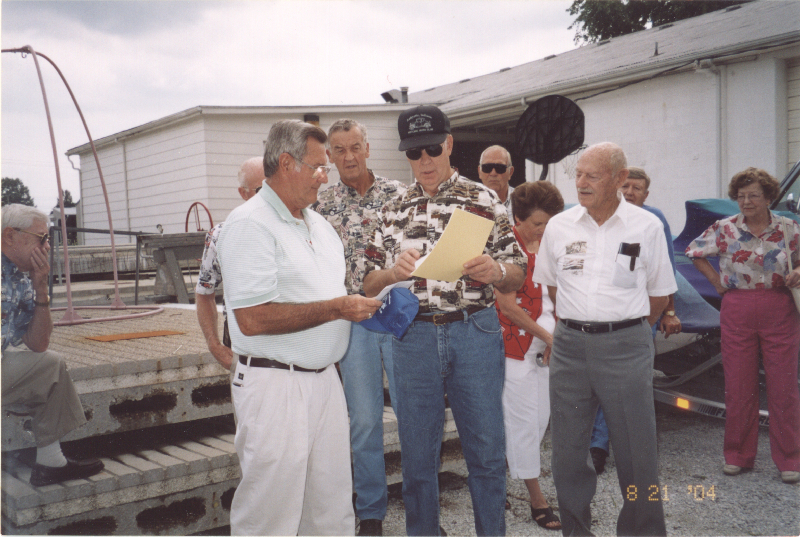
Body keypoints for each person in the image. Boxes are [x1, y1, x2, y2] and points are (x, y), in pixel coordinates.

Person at [363, 104, 527, 537]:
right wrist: (391, 274)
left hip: (474, 329)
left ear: (450, 144)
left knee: (487, 451)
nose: (425, 161)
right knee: (417, 458)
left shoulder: (484, 198)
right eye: (414, 153)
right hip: (412, 336)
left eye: (433, 149)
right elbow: (365, 282)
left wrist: (497, 272)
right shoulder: (391, 207)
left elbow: (518, 270)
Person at [217, 120, 382, 535]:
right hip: (275, 385)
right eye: (317, 167)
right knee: (269, 514)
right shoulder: (248, 224)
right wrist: (336, 309)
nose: (325, 177)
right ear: (286, 163)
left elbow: (328, 296)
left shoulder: (321, 226)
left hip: (325, 382)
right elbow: (251, 319)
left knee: (331, 510)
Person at [533, 142, 676, 536]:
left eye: (591, 176)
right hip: (569, 346)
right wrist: (582, 323)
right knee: (567, 452)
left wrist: (620, 329)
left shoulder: (645, 226)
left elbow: (660, 295)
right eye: (577, 174)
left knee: (636, 454)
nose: (581, 183)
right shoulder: (560, 226)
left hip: (625, 346)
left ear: (619, 179)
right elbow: (552, 288)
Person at [313, 119, 406, 536]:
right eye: (339, 149)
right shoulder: (320, 205)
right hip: (355, 324)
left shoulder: (400, 194)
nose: (348, 156)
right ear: (329, 157)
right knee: (365, 420)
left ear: (368, 148)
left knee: (414, 416)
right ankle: (370, 511)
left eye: (355, 147)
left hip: (400, 315)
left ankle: (423, 511)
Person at [686, 167, 800, 485]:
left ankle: (790, 459)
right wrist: (716, 281)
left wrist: (798, 273)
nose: (746, 201)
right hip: (737, 306)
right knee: (738, 386)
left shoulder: (789, 228)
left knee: (784, 387)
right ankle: (737, 455)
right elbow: (694, 251)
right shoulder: (724, 228)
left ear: (769, 198)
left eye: (753, 195)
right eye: (741, 196)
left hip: (779, 305)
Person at [588, 166, 684, 475]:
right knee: (602, 380)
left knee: (633, 384)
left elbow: (665, 270)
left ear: (646, 194)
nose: (630, 192)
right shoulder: (601, 217)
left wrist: (667, 313)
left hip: (644, 313)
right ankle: (598, 445)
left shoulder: (654, 221)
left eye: (637, 188)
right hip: (605, 313)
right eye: (626, 186)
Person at [1, 204, 104, 487]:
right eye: (41, 238)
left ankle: (50, 462)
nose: (47, 247)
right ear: (10, 236)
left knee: (50, 364)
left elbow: (38, 344)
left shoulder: (22, 277)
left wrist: (41, 288)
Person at [495, 181, 564, 531]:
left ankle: (499, 478)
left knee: (539, 421)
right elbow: (506, 306)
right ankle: (537, 498)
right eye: (537, 223)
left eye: (549, 222)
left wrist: (556, 337)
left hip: (546, 345)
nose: (544, 229)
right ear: (518, 219)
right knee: (523, 422)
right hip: (515, 347)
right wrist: (548, 336)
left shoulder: (552, 245)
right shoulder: (507, 245)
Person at [195, 157, 266, 371]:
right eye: (261, 190)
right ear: (243, 194)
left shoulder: (300, 228)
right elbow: (204, 292)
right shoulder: (220, 235)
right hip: (243, 348)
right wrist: (214, 345)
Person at [478, 145, 515, 222]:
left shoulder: (525, 203)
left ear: (510, 172)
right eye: (487, 167)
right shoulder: (467, 203)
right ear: (479, 172)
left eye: (500, 168)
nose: (493, 173)